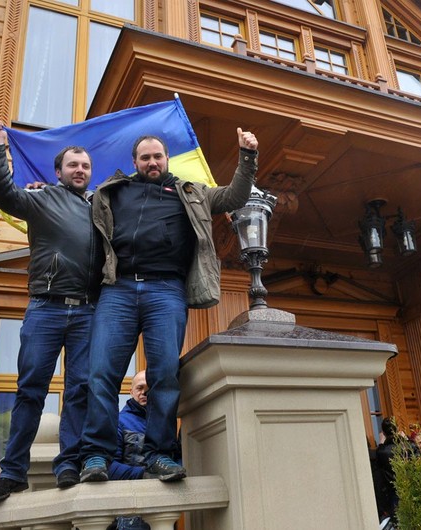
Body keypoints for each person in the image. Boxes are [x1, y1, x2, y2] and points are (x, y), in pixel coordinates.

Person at [79, 128, 259, 483]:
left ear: (166, 159)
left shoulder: (190, 193)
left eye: (157, 156)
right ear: (135, 163)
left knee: (164, 375)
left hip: (166, 291)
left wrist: (248, 157)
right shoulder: (112, 192)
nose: (151, 162)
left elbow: (235, 196)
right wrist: (44, 191)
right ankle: (95, 455)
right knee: (101, 374)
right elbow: (74, 204)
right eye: (145, 157)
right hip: (119, 289)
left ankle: (160, 455)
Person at [0, 120, 103, 502]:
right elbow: (1, 193)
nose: (79, 170)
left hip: (88, 312)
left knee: (80, 390)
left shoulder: (103, 205)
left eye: (84, 166)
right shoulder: (42, 198)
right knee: (31, 391)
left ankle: (70, 464)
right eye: (72, 165)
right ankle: (12, 471)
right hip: (46, 309)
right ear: (58, 171)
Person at [106, 370, 152, 530]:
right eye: (139, 388)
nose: (144, 392)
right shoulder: (119, 422)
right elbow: (110, 467)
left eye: (149, 388)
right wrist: (145, 475)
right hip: (127, 510)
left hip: (160, 504)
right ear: (130, 391)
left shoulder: (165, 422)